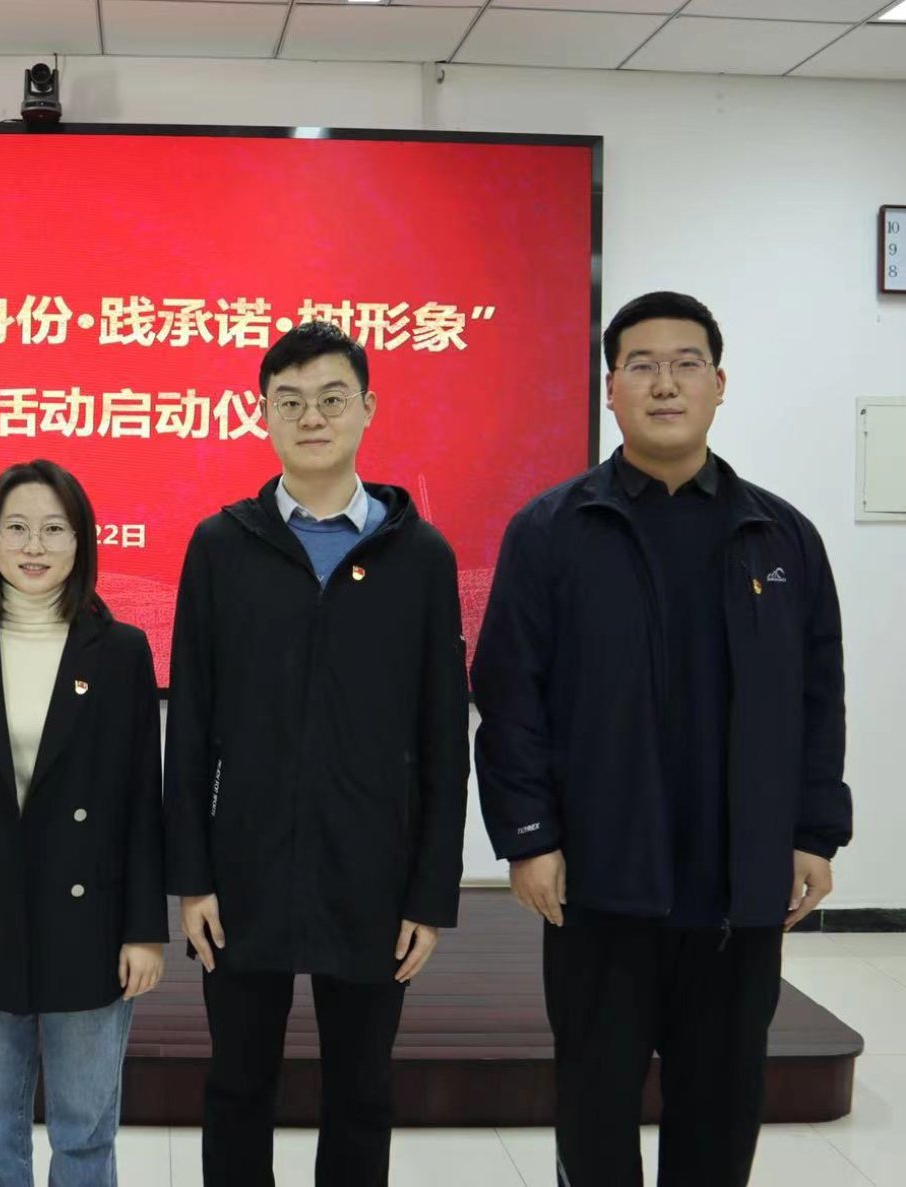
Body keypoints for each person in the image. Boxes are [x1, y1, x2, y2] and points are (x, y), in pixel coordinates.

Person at [472, 291, 852, 1187]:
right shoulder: (552, 530)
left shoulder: (780, 536)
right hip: (598, 882)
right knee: (595, 1109)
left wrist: (813, 830)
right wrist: (528, 836)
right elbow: (509, 694)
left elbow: (817, 695)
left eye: (686, 364)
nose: (664, 383)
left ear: (719, 383)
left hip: (736, 884)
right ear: (610, 389)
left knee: (719, 1113)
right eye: (640, 365)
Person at [164, 320, 470, 1187]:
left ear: (367, 409)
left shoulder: (419, 555)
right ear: (261, 413)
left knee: (362, 1092)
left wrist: (430, 892)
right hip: (244, 868)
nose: (311, 417)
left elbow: (443, 738)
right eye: (289, 400)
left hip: (373, 870)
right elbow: (188, 725)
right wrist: (192, 878)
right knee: (236, 1086)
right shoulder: (221, 546)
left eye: (332, 399)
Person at [0, 459, 167, 1187]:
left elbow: (140, 801)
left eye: (54, 529)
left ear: (81, 541)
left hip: (91, 921)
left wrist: (143, 930)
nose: (34, 545)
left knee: (85, 1128)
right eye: (16, 527)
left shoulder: (120, 651)